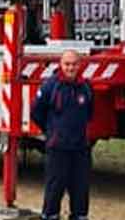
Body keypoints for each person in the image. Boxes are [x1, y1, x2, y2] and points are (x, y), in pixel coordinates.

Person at [31, 50, 94, 220]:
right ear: (61, 64)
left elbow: (89, 113)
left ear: (79, 65)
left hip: (80, 149)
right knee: (54, 189)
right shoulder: (50, 86)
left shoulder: (86, 88)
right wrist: (51, 132)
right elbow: (36, 111)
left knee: (80, 190)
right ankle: (50, 216)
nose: (70, 68)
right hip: (58, 148)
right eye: (67, 64)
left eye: (74, 64)